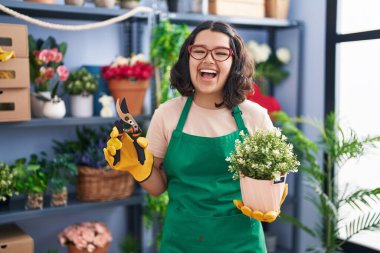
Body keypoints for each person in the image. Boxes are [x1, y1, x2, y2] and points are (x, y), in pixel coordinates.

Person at [104, 21, 282, 253]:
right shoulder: (167, 114)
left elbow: (274, 180)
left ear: (234, 62)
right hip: (182, 241)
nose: (208, 59)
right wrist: (139, 168)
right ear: (188, 58)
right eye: (199, 51)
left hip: (242, 243)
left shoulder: (254, 116)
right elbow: (158, 187)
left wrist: (273, 197)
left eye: (220, 53)